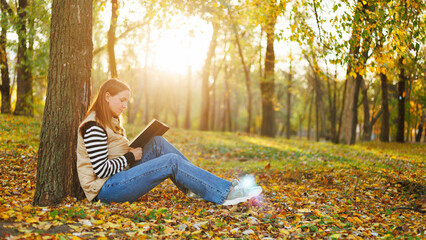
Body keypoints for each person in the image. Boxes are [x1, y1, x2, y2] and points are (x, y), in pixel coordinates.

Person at [76, 79, 262, 205]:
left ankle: (197, 189)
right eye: (121, 100)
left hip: (118, 178)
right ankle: (225, 193)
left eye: (127, 101)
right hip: (106, 190)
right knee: (171, 161)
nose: (125, 106)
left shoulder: (109, 120)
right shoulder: (94, 126)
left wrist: (131, 152)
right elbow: (101, 170)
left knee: (157, 142)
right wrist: (130, 156)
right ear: (107, 96)